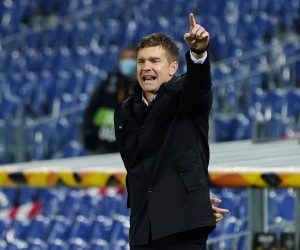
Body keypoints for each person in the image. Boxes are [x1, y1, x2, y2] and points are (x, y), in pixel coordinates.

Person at [114, 13, 229, 249]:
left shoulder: (186, 96)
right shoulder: (124, 111)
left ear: (172, 68)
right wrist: (195, 202)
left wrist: (198, 53)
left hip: (183, 230)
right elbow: (140, 170)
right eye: (141, 61)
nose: (146, 67)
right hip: (143, 229)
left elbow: (199, 83)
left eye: (155, 61)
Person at [81, 47, 137, 154]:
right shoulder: (109, 81)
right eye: (124, 58)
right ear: (119, 60)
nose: (127, 61)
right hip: (101, 146)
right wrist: (89, 133)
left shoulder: (145, 85)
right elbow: (91, 109)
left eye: (132, 57)